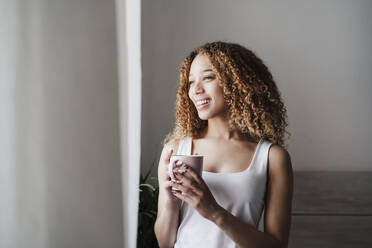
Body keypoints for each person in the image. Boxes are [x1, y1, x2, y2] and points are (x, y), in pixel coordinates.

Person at [154, 41, 293, 248]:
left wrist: (214, 212)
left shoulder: (272, 158)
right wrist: (169, 199)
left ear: (238, 82)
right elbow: (165, 243)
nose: (196, 90)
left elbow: (277, 245)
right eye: (191, 82)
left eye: (208, 78)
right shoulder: (175, 150)